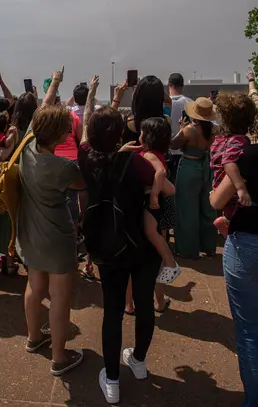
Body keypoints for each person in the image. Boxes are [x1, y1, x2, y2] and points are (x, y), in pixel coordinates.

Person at [79, 76, 163, 404]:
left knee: (112, 311)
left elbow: (88, 130)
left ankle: (111, 379)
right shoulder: (133, 160)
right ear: (120, 135)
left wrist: (100, 101)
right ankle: (139, 360)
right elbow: (161, 184)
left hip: (108, 245)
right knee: (144, 306)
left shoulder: (87, 157)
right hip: (139, 243)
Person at [16, 66, 86, 376]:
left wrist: (55, 81)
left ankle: (34, 338)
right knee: (60, 297)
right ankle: (60, 357)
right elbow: (85, 185)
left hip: (29, 232)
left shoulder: (28, 146)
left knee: (34, 286)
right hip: (57, 236)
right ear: (60, 135)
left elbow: (42, 110)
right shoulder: (63, 168)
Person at [210, 85, 258, 406]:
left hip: (247, 242)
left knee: (249, 332)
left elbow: (216, 199)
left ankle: (255, 402)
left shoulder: (246, 154)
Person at [116, 75, 175, 313]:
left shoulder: (128, 124)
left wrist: (133, 89)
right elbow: (169, 102)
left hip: (132, 194)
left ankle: (129, 303)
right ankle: (159, 300)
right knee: (156, 250)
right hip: (158, 194)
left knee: (131, 250)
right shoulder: (165, 122)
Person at [172, 98, 217, 259]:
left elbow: (173, 144)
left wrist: (181, 128)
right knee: (207, 208)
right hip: (206, 168)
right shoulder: (211, 131)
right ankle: (209, 246)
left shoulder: (189, 130)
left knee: (186, 209)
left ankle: (188, 249)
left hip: (189, 168)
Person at [139, 118, 180, 284]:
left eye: (142, 133)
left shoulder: (149, 155)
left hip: (152, 202)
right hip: (155, 201)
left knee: (150, 231)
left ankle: (170, 263)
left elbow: (161, 172)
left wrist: (154, 193)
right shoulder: (157, 154)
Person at [210, 93, 257, 238]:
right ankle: (226, 223)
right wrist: (241, 188)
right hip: (232, 190)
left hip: (218, 185)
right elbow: (228, 162)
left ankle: (225, 221)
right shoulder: (239, 141)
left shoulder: (219, 139)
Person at [168, 73, 193, 183]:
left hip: (166, 152)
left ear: (169, 85)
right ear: (182, 86)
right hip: (185, 152)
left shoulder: (163, 103)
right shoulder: (190, 103)